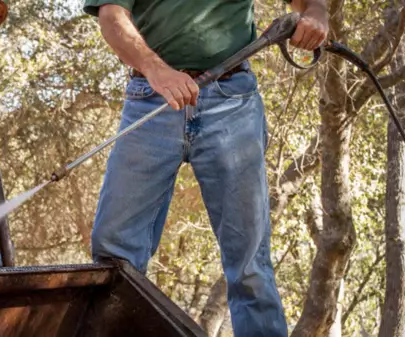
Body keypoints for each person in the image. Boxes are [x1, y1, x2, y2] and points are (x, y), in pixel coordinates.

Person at [82, 0, 328, 335]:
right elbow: (111, 17)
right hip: (150, 99)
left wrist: (316, 14)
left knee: (249, 264)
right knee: (114, 252)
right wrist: (157, 70)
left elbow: (308, 4)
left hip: (232, 101)